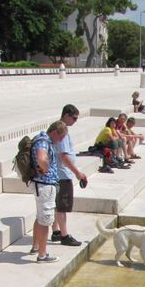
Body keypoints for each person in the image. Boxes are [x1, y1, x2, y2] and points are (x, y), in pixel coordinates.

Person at [30, 120, 68, 262]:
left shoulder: (42, 139)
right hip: (45, 185)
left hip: (41, 185)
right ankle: (42, 254)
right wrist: (46, 169)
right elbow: (41, 157)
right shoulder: (44, 142)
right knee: (46, 221)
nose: (61, 140)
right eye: (61, 137)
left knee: (40, 217)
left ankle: (35, 246)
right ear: (54, 132)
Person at [51, 104, 87, 247]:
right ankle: (64, 235)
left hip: (58, 173)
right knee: (62, 206)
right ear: (66, 115)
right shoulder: (62, 131)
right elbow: (64, 156)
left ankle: (56, 231)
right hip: (62, 174)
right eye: (74, 118)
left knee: (57, 204)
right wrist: (78, 173)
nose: (75, 121)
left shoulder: (59, 128)